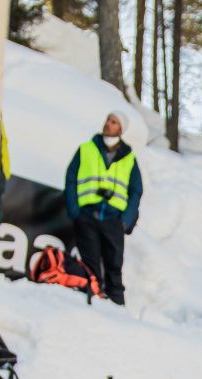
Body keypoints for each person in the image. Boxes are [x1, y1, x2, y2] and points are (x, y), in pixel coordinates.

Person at [64, 111, 142, 305]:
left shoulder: (128, 158)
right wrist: (75, 211)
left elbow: (136, 191)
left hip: (113, 220)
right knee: (90, 267)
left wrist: (125, 221)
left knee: (114, 268)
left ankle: (118, 311)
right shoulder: (86, 149)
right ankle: (92, 307)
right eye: (108, 120)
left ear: (121, 129)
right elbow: (71, 179)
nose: (108, 124)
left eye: (114, 122)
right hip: (87, 216)